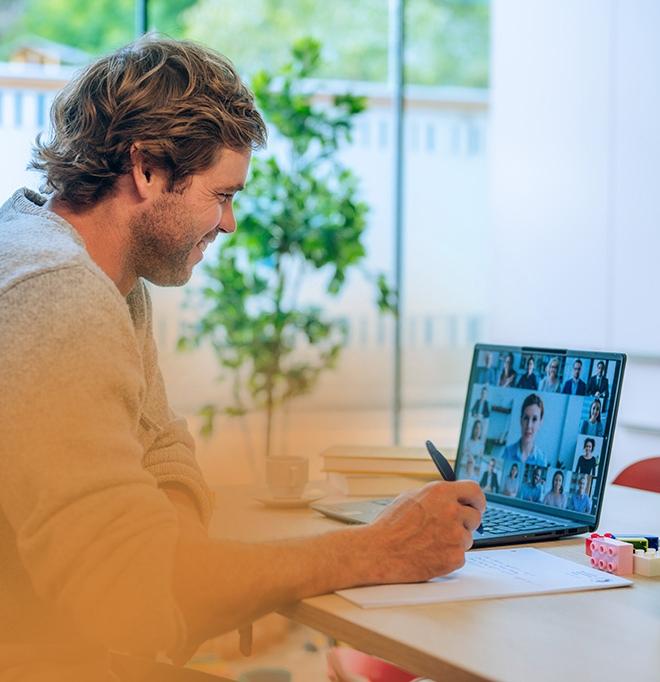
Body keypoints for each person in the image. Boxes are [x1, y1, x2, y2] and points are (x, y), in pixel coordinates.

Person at [0, 38, 486, 682]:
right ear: (146, 169)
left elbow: (166, 454)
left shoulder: (93, 269)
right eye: (222, 194)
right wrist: (377, 550)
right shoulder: (57, 292)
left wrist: (191, 573)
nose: (228, 224)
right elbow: (126, 593)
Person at [502, 393, 547, 467]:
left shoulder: (542, 459)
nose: (529, 426)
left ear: (540, 423)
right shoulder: (508, 453)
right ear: (521, 420)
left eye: (534, 419)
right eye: (526, 418)